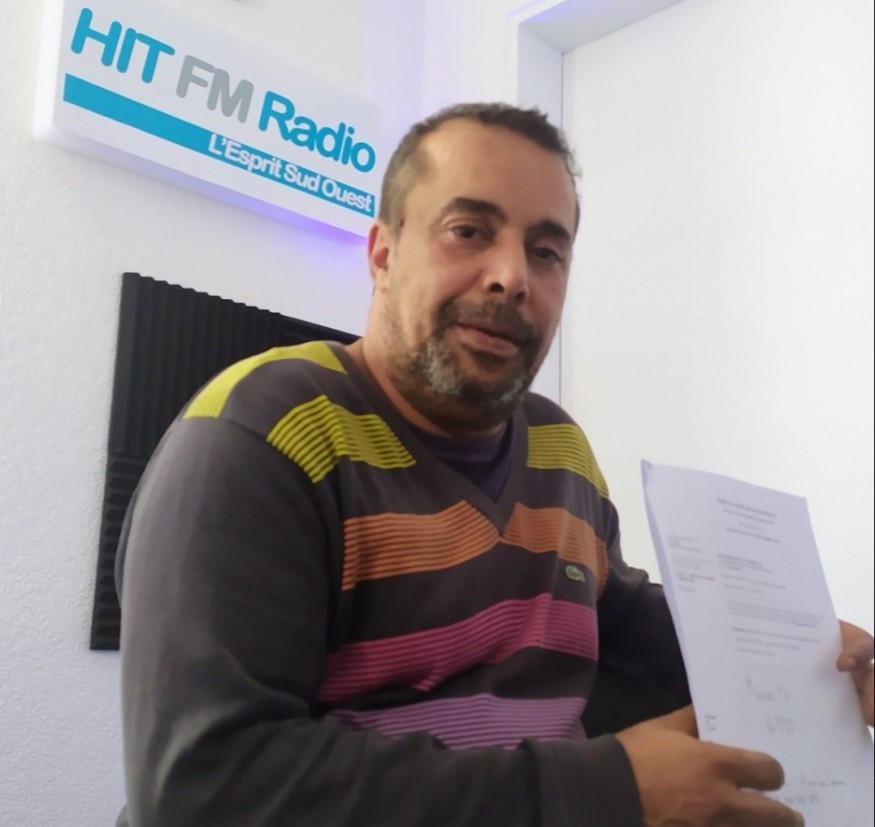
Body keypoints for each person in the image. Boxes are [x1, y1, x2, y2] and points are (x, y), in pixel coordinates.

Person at [115, 102, 874, 827]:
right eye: (469, 230)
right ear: (382, 254)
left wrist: (802, 661)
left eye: (546, 251)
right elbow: (203, 788)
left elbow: (619, 619)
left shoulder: (560, 449)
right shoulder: (263, 436)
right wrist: (604, 792)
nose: (513, 275)